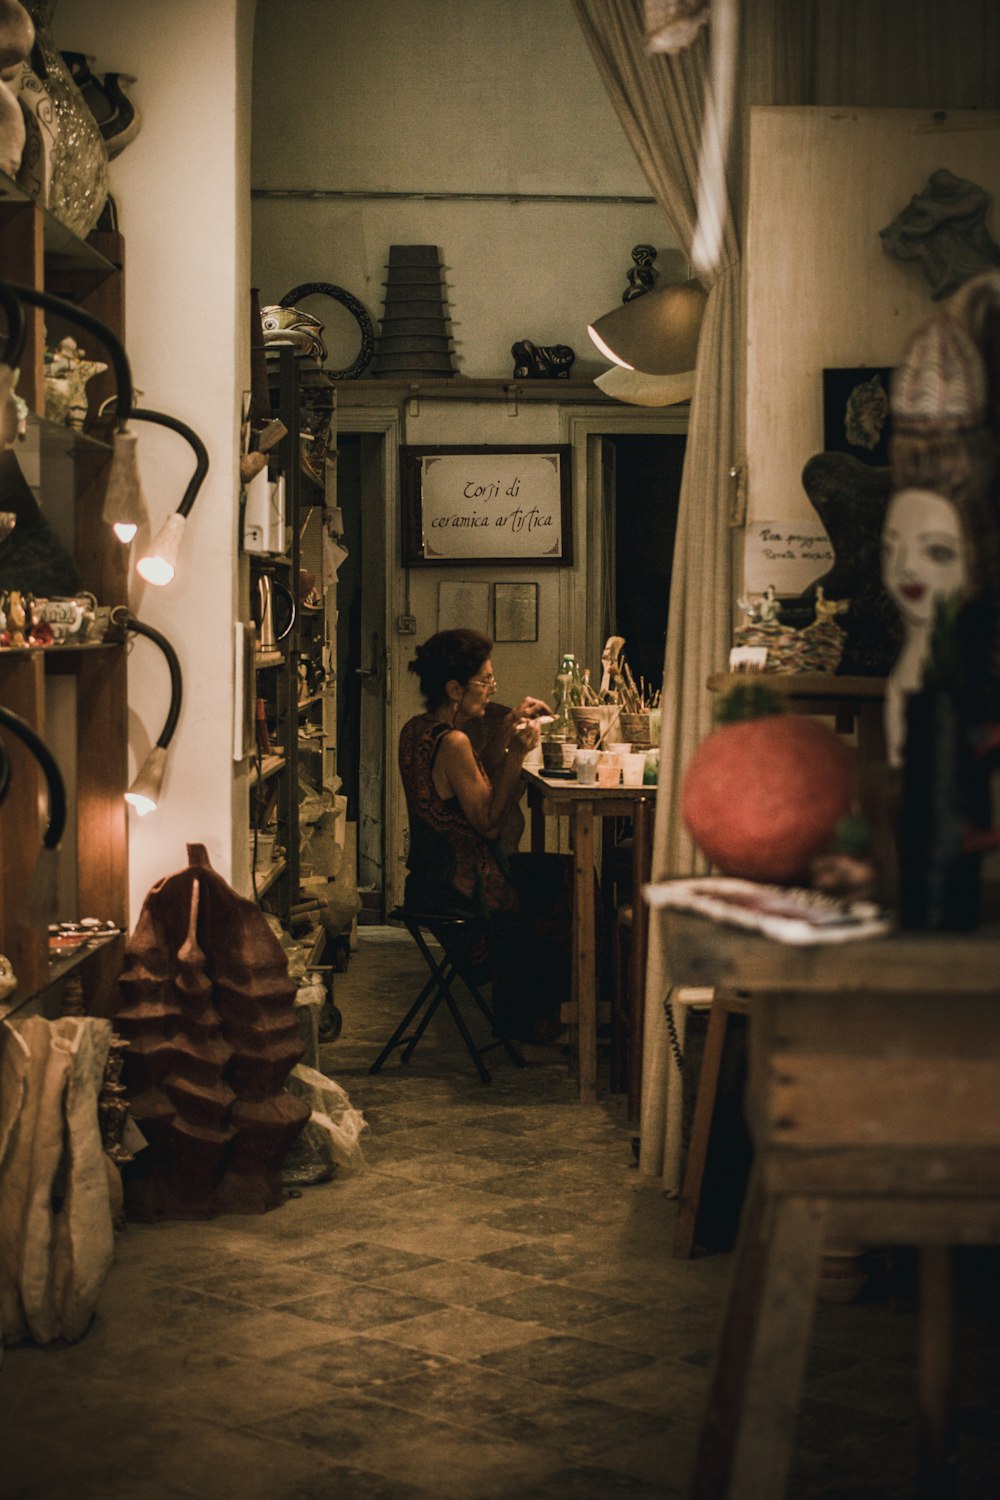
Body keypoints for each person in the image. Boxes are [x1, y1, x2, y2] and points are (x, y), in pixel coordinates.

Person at [398, 628, 571, 1043]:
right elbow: (490, 822)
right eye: (485, 681)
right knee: (567, 881)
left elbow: (475, 775)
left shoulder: (418, 729)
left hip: (428, 877)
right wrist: (519, 753)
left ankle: (531, 1012)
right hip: (461, 888)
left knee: (556, 874)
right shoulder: (454, 742)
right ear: (455, 688)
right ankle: (534, 1018)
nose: (492, 689)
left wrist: (508, 724)